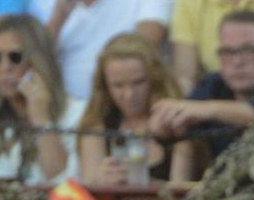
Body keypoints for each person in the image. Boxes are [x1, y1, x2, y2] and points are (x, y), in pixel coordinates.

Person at [152, 10, 254, 162]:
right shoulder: (213, 85)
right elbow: (179, 127)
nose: (237, 62)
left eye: (248, 50)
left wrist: (213, 110)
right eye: (227, 52)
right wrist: (165, 126)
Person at [0, 12, 81, 183]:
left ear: (38, 61)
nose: (4, 67)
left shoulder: (74, 113)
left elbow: (60, 180)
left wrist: (41, 118)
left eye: (15, 57)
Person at [30, 0, 170, 100]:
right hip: (61, 106)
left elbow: (142, 51)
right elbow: (34, 68)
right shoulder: (43, 2)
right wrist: (59, 16)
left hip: (123, 104)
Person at [76, 32, 195, 184]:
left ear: (155, 78)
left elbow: (182, 192)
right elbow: (88, 190)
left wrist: (138, 181)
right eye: (118, 85)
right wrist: (100, 182)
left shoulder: (176, 125)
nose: (129, 95)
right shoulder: (96, 127)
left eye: (138, 82)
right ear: (104, 86)